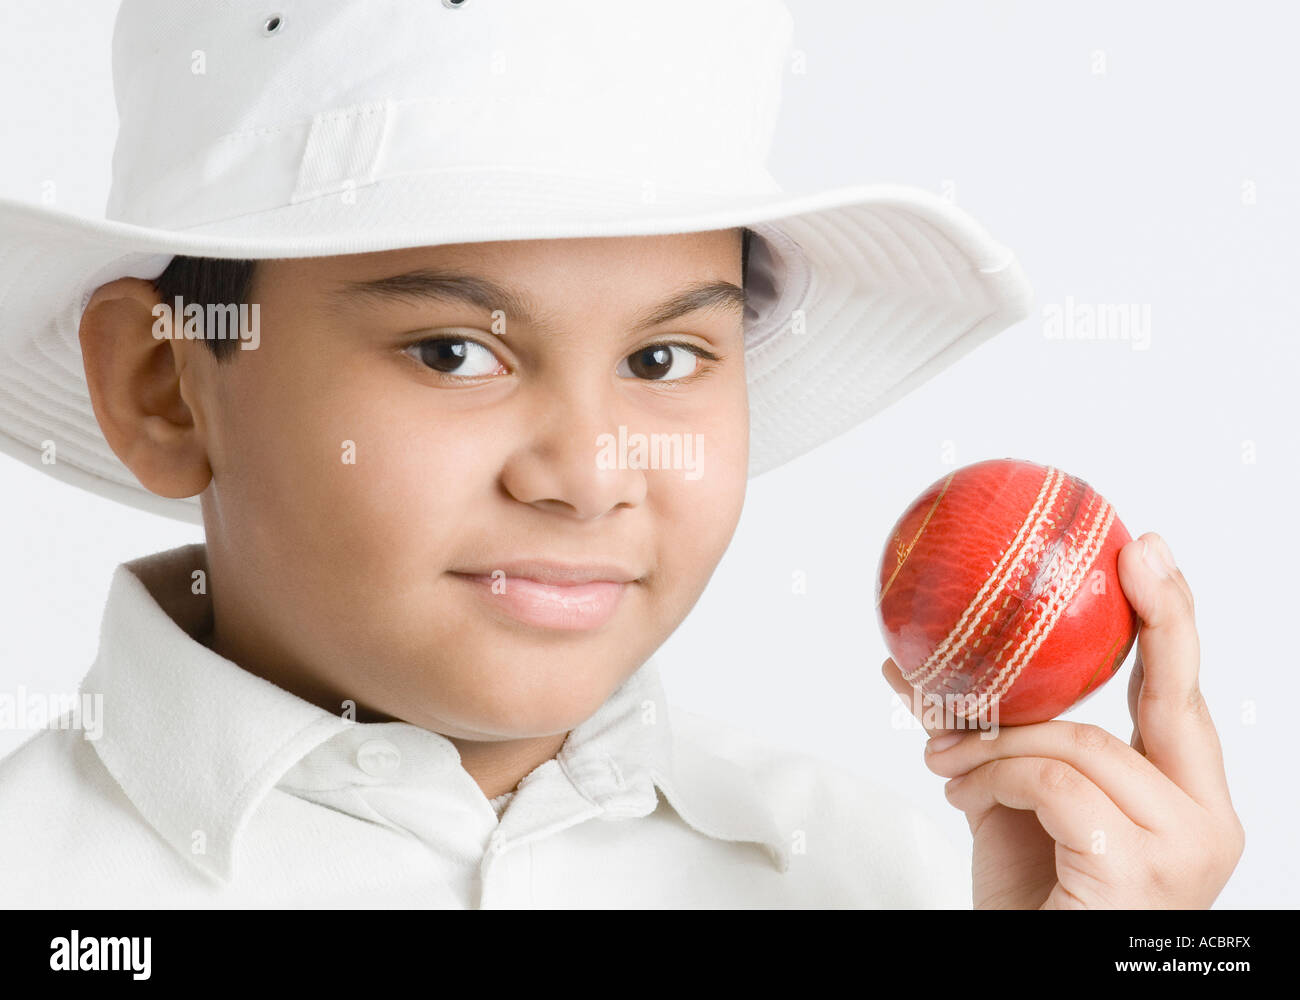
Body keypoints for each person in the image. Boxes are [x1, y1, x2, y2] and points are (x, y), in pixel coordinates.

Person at [0, 0, 1241, 908]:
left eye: (660, 362)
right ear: (167, 385)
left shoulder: (899, 880)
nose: (589, 475)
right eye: (450, 353)